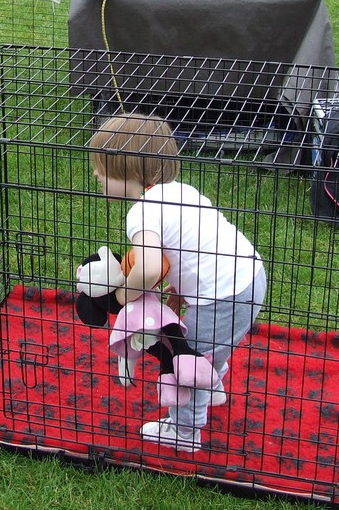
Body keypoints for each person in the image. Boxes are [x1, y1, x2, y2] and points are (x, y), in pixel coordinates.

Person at [85, 113, 266, 453]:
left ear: (130, 172)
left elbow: (149, 267)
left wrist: (124, 295)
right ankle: (213, 388)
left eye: (102, 169)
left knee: (189, 360)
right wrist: (182, 288)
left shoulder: (141, 212)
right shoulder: (181, 191)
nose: (96, 174)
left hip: (223, 296)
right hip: (251, 276)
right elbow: (198, 242)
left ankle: (184, 431)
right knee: (210, 345)